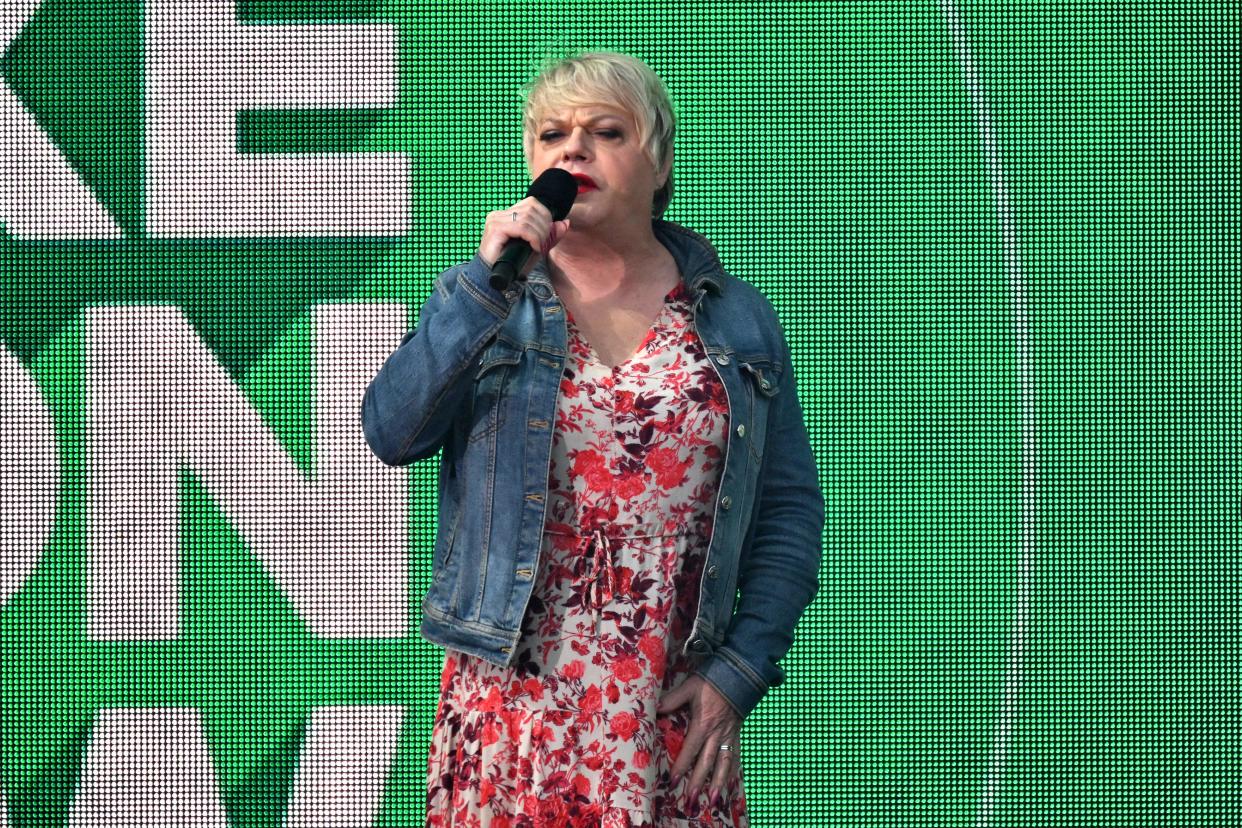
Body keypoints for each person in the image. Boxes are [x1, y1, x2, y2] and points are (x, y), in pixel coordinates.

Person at [361, 50, 823, 827]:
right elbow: (391, 430)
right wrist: (484, 283)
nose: (572, 149)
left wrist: (738, 672)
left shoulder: (736, 318)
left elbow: (787, 516)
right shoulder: (483, 298)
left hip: (665, 710)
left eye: (605, 131)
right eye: (550, 135)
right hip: (515, 707)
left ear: (660, 159)